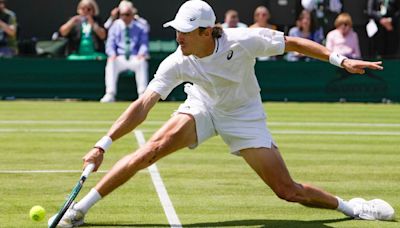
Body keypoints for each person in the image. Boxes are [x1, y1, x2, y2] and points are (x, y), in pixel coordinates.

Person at [52, 0, 395, 226]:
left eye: (184, 32)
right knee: (150, 150)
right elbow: (143, 105)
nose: (177, 37)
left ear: (205, 31)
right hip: (202, 106)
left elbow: (292, 43)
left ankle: (352, 207)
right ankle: (80, 210)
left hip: (244, 116)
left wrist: (341, 60)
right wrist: (103, 143)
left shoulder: (243, 40)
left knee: (288, 191)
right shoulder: (177, 60)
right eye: (176, 31)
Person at [99, 0, 149, 103]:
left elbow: (144, 43)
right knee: (111, 62)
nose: (125, 17)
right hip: (119, 57)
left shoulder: (140, 26)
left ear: (132, 14)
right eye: (122, 14)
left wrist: (141, 53)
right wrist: (112, 54)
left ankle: (142, 95)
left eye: (127, 14)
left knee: (142, 62)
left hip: (135, 57)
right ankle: (110, 94)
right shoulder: (114, 25)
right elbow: (110, 44)